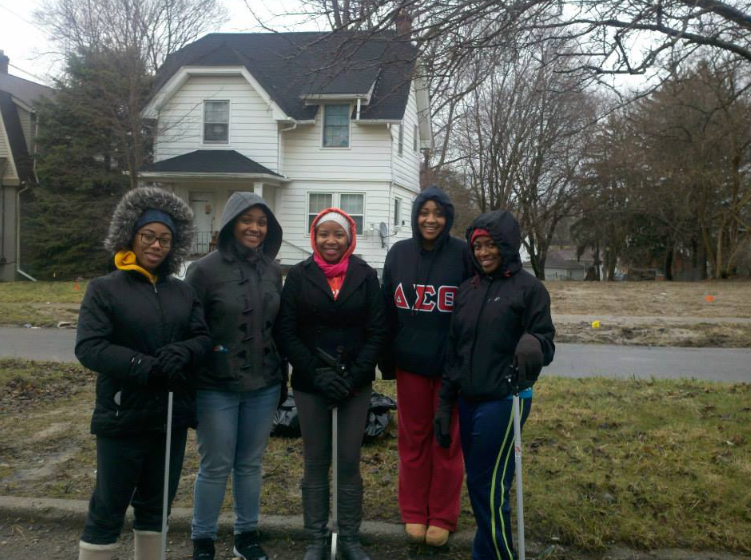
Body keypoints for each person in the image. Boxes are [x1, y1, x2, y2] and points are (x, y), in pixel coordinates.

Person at [75, 187, 212, 560]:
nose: (156, 245)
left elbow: (202, 338)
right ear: (130, 236)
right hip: (123, 413)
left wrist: (183, 352)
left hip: (170, 415)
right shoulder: (104, 289)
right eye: (148, 236)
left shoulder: (182, 292)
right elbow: (90, 347)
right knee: (109, 504)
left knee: (157, 505)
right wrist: (142, 366)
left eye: (165, 239)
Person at [435, 210, 555, 560]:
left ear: (507, 246)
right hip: (469, 399)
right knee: (484, 482)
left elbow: (546, 342)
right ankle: (485, 552)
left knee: (486, 484)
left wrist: (534, 342)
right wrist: (445, 404)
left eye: (491, 246)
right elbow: (454, 353)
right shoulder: (466, 291)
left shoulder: (529, 290)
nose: (484, 253)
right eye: (478, 247)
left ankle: (498, 555)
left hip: (507, 398)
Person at [276, 207, 386, 560]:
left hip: (354, 383)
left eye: (338, 234)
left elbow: (377, 331)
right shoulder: (298, 275)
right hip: (311, 384)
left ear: (350, 237)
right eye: (323, 233)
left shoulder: (366, 276)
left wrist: (353, 376)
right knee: (316, 459)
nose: (330, 241)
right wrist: (314, 373)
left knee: (349, 460)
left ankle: (350, 537)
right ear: (314, 237)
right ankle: (315, 538)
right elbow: (286, 331)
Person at [185, 192, 285, 560]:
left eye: (261, 222)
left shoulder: (273, 270)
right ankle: (203, 538)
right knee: (215, 464)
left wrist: (283, 376)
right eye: (247, 220)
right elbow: (189, 326)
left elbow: (280, 326)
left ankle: (246, 535)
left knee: (250, 464)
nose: (255, 228)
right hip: (216, 386)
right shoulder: (204, 271)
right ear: (230, 224)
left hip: (264, 385)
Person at [379, 186, 473, 546]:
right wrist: (387, 360)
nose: (430, 219)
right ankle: (415, 511)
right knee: (413, 440)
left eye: (438, 213)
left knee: (447, 441)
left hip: (452, 368)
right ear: (416, 215)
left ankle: (444, 515)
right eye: (424, 212)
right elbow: (387, 308)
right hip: (411, 365)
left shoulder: (463, 255)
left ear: (448, 218)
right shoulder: (399, 254)